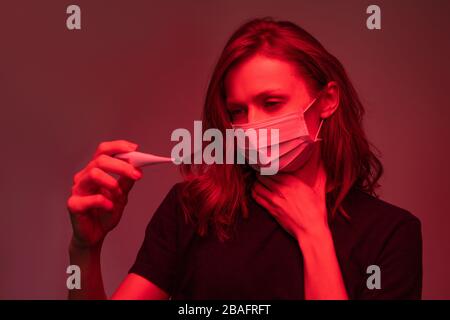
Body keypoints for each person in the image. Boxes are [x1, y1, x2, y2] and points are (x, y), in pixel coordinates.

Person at [67, 17, 422, 300]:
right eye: (237, 111)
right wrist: (86, 249)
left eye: (271, 103)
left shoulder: (390, 234)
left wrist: (314, 236)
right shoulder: (193, 209)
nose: (252, 126)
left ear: (327, 100)